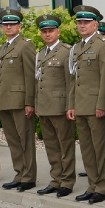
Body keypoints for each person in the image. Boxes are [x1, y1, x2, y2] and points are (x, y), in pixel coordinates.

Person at [67, 5, 105, 205]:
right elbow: (73, 79)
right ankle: (92, 185)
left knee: (100, 148)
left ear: (96, 24)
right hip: (80, 104)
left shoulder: (103, 46)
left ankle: (102, 188)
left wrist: (102, 104)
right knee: (86, 148)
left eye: (86, 22)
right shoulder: (76, 48)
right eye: (79, 22)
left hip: (96, 106)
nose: (82, 25)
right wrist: (71, 104)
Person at [33, 14, 76, 198]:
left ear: (58, 31)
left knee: (65, 146)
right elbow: (38, 82)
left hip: (60, 106)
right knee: (51, 146)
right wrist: (36, 104)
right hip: (44, 107)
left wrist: (70, 106)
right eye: (44, 31)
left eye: (51, 31)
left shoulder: (66, 52)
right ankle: (55, 179)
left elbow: (71, 82)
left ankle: (67, 181)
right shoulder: (40, 53)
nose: (48, 34)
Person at [0, 8, 37, 192]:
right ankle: (19, 173)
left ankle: (28, 177)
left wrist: (29, 102)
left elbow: (30, 75)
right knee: (13, 140)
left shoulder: (25, 45)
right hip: (4, 100)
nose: (9, 27)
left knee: (25, 140)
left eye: (12, 24)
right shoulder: (3, 47)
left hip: (20, 101)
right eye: (6, 24)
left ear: (19, 26)